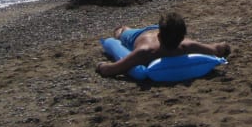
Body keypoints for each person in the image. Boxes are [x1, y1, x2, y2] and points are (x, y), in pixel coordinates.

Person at [96, 11, 231, 77]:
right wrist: (223, 48)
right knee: (121, 31)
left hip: (142, 35)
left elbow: (111, 69)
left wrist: (100, 66)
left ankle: (123, 29)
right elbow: (217, 49)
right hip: (145, 35)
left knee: (121, 30)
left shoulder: (146, 52)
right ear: (183, 37)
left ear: (159, 36)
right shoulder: (187, 45)